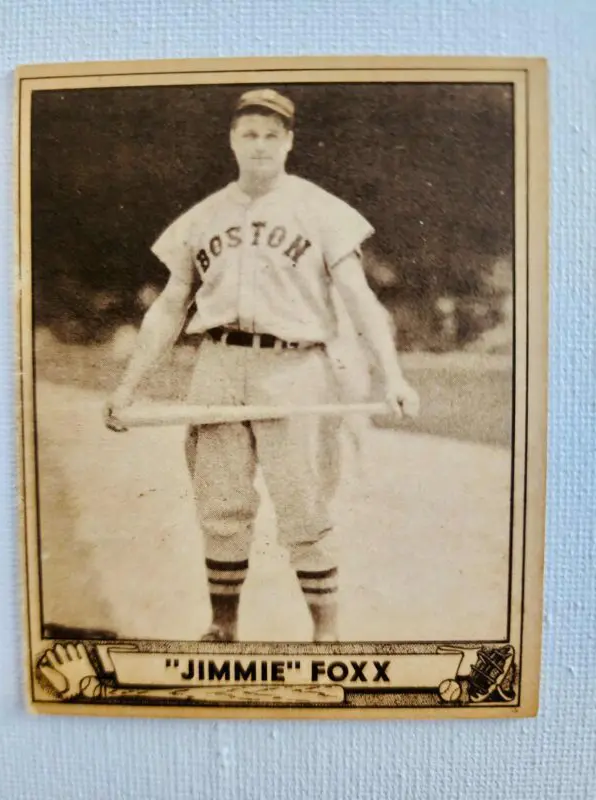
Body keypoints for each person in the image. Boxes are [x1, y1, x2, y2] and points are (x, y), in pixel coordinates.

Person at [104, 88, 419, 643]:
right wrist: (128, 385)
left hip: (295, 369)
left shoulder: (321, 210)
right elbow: (171, 305)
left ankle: (326, 638)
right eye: (250, 134)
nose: (261, 145)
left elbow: (358, 298)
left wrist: (392, 375)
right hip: (218, 363)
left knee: (305, 506)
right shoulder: (204, 216)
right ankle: (223, 626)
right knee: (221, 504)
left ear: (290, 141)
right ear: (232, 140)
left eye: (273, 135)